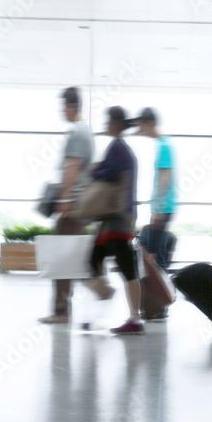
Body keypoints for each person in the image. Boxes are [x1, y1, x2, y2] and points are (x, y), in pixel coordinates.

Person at [85, 106, 146, 335]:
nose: (106, 125)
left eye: (109, 122)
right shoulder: (120, 148)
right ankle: (105, 301)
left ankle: (134, 319)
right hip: (113, 218)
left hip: (118, 218)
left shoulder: (118, 148)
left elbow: (109, 173)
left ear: (117, 124)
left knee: (126, 268)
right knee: (93, 261)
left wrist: (94, 171)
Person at [39, 87, 94, 324]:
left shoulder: (77, 133)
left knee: (61, 259)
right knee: (69, 258)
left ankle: (61, 311)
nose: (61, 111)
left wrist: (64, 201)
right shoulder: (85, 132)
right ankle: (67, 307)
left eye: (63, 106)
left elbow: (71, 168)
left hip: (72, 207)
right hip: (78, 205)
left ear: (71, 106)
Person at [134, 107, 177, 321]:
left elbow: (165, 179)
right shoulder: (163, 145)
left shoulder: (164, 146)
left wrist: (157, 210)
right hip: (162, 208)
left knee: (156, 258)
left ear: (149, 122)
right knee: (155, 256)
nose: (140, 129)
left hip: (163, 208)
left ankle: (160, 305)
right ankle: (158, 304)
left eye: (141, 124)